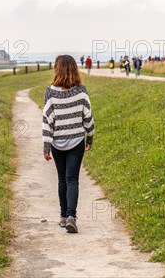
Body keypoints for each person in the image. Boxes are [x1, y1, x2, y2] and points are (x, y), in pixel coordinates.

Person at [43, 55, 94, 233]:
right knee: (72, 178)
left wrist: (46, 146)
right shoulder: (81, 91)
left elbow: (47, 120)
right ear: (75, 69)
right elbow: (88, 117)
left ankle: (63, 217)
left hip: (57, 142)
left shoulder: (50, 92)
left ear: (57, 69)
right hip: (76, 141)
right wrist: (90, 137)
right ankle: (72, 216)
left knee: (61, 179)